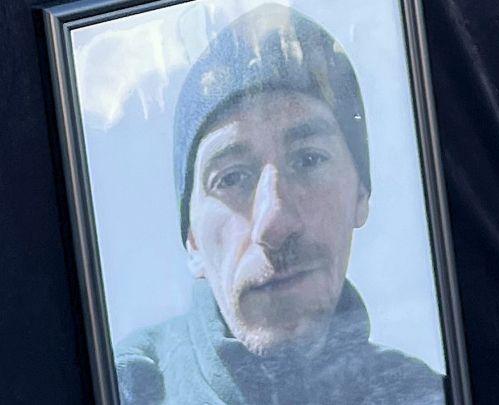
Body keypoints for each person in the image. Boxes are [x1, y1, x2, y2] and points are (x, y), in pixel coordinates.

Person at [115, 4, 445, 404]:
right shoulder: (122, 389)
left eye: (309, 160)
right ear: (193, 241)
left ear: (360, 194)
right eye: (231, 178)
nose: (275, 221)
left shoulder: (429, 395)